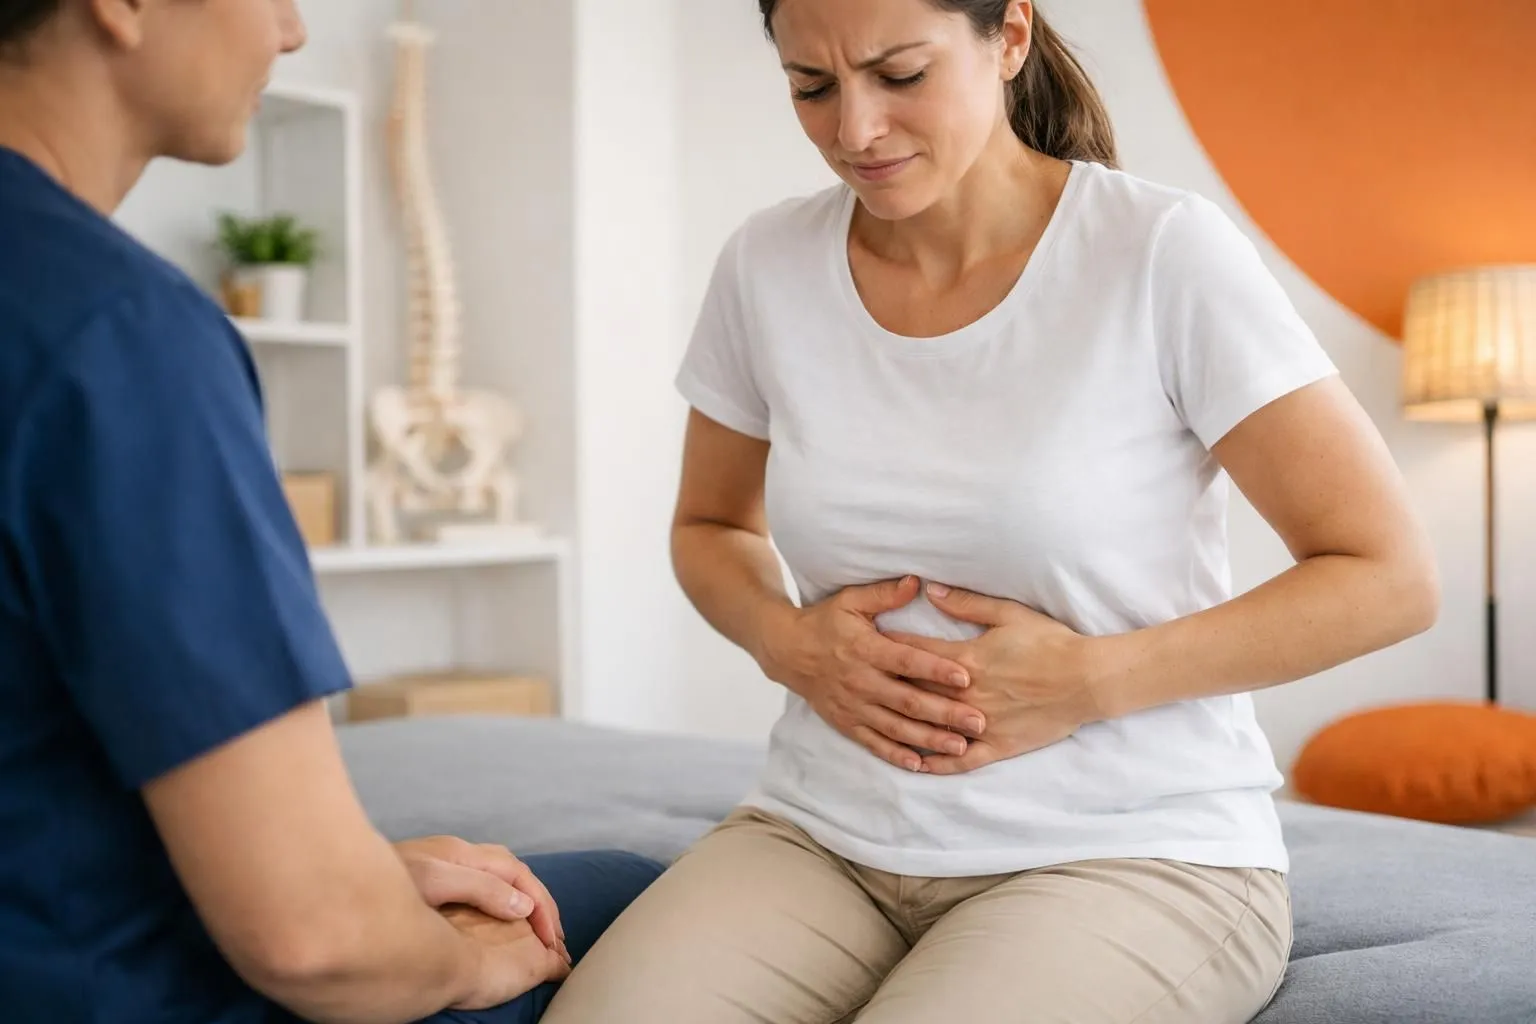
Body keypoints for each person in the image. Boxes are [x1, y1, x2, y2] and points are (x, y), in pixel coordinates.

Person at [542, 1, 1439, 1022]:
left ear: (1009, 37)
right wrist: (785, 642)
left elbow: (1388, 577)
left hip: (1128, 850)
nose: (855, 130)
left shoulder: (1158, 252)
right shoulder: (766, 264)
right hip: (821, 834)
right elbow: (710, 527)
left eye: (901, 75)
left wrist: (1089, 681)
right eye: (812, 87)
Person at [0, 2, 662, 1022]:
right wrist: (460, 963)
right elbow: (313, 941)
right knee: (640, 893)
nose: (294, 30)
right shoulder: (124, 336)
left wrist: (358, 873)